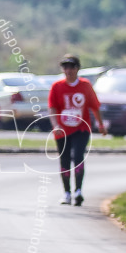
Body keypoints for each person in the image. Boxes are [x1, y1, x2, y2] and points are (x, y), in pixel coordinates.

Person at [48, 54, 106, 206]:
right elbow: (52, 107)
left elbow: (95, 106)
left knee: (78, 156)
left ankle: (78, 191)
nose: (68, 70)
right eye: (65, 67)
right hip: (62, 130)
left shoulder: (85, 86)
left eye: (71, 67)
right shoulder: (57, 86)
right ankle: (66, 193)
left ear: (77, 68)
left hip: (81, 128)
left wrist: (100, 124)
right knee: (65, 159)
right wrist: (56, 125)